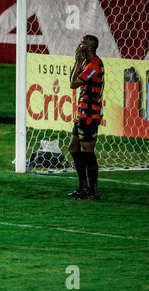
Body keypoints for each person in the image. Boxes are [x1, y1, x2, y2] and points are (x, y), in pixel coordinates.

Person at [68, 35, 104, 200]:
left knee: (88, 152)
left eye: (82, 42)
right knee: (73, 148)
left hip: (90, 114)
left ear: (90, 47)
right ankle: (82, 187)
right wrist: (78, 61)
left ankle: (93, 191)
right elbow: (72, 81)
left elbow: (73, 84)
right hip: (82, 113)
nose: (79, 43)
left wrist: (77, 61)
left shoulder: (94, 65)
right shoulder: (86, 63)